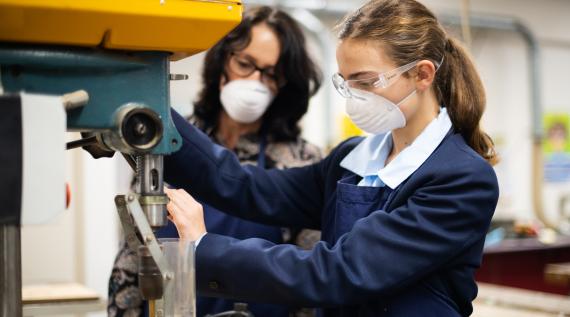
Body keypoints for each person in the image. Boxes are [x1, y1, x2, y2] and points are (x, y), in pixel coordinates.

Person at [163, 0, 500, 316]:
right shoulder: (352, 160)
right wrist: (156, 115)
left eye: (366, 81)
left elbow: (340, 272)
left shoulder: (461, 179)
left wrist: (204, 247)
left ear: (423, 74)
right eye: (347, 83)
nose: (354, 98)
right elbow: (248, 187)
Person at [107, 6, 322, 317]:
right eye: (245, 64)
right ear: (222, 61)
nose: (255, 82)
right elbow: (133, 255)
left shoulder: (302, 161)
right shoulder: (166, 143)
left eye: (271, 74)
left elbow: (310, 282)